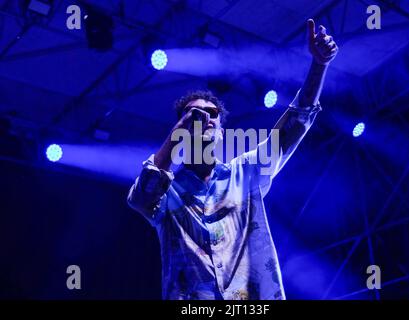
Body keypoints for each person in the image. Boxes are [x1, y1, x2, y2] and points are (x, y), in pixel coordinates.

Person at [127, 19, 338, 300]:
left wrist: (319, 65)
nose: (203, 118)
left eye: (212, 114)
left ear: (222, 131)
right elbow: (141, 197)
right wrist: (178, 133)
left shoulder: (246, 172)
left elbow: (295, 124)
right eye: (193, 113)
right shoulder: (168, 193)